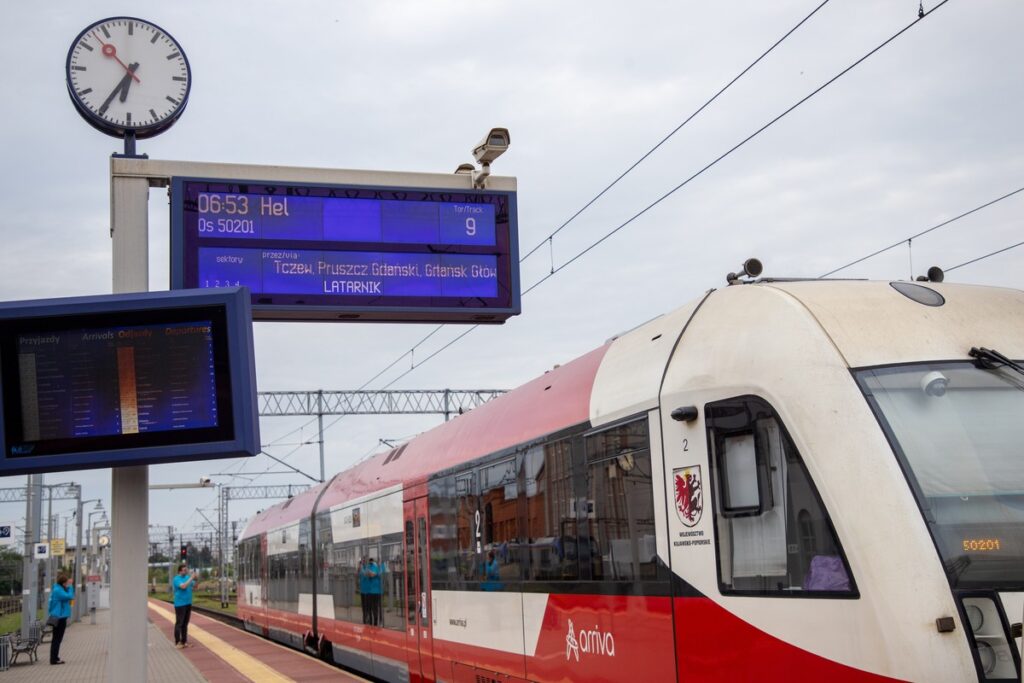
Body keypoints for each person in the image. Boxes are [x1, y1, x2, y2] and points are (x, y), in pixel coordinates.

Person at [48, 572, 74, 665]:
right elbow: (70, 596)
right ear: (63, 583)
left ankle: (55, 658)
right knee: (57, 639)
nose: (67, 584)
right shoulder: (58, 591)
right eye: (66, 583)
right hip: (60, 618)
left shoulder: (58, 589)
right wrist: (71, 586)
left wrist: (68, 587)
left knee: (57, 639)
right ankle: (54, 659)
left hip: (60, 616)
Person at [172, 563, 197, 648]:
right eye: (184, 570)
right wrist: (191, 578)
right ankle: (177, 642)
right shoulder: (176, 579)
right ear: (179, 571)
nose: (186, 571)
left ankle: (184, 641)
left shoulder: (187, 577)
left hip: (188, 603)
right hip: (180, 604)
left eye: (186, 570)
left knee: (185, 623)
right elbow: (183, 586)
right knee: (179, 623)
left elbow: (195, 587)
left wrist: (196, 579)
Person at [362, 557, 382, 626]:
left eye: (371, 560)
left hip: (376, 591)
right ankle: (370, 623)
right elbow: (365, 574)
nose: (370, 561)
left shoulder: (376, 567)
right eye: (369, 560)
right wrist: (368, 572)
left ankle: (376, 623)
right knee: (369, 608)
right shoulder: (369, 566)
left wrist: (369, 572)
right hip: (369, 591)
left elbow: (372, 575)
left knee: (375, 608)